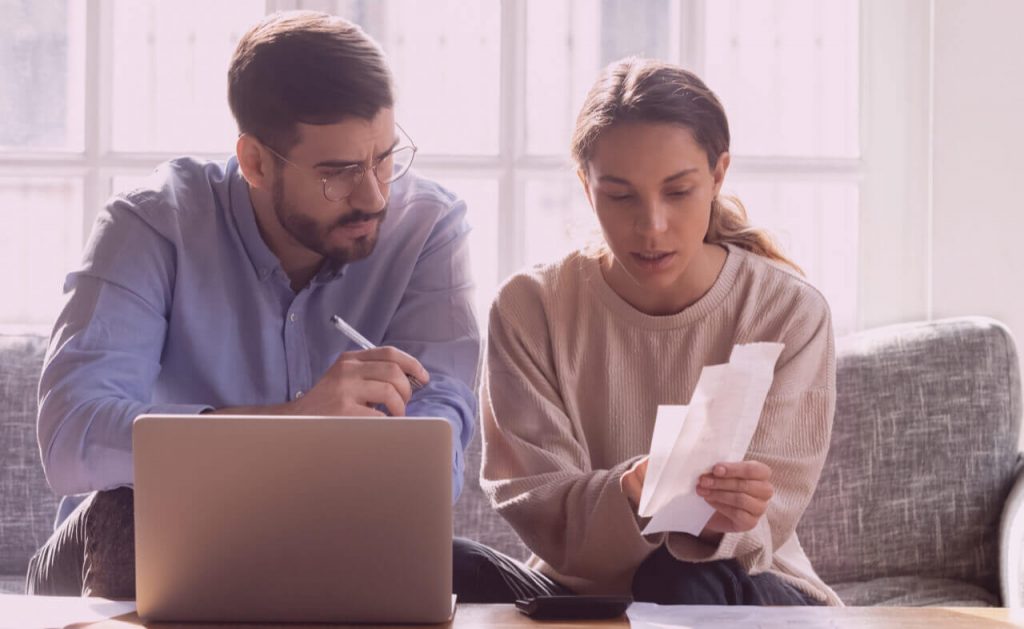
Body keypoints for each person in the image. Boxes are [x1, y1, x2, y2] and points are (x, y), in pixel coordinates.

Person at [27, 11, 557, 602]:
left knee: (494, 580)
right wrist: (295, 420)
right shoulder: (152, 224)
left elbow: (437, 442)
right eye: (339, 173)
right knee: (130, 508)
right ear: (254, 162)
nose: (374, 195)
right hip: (122, 544)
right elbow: (70, 435)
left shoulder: (428, 228)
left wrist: (362, 471)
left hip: (326, 534)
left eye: (384, 157)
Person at [479, 57, 842, 606]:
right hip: (577, 590)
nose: (651, 226)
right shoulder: (529, 308)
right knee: (448, 564)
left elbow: (765, 524)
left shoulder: (788, 312)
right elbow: (536, 501)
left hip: (740, 583)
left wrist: (730, 516)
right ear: (586, 186)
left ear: (718, 175)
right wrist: (631, 493)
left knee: (676, 580)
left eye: (678, 192)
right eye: (620, 196)